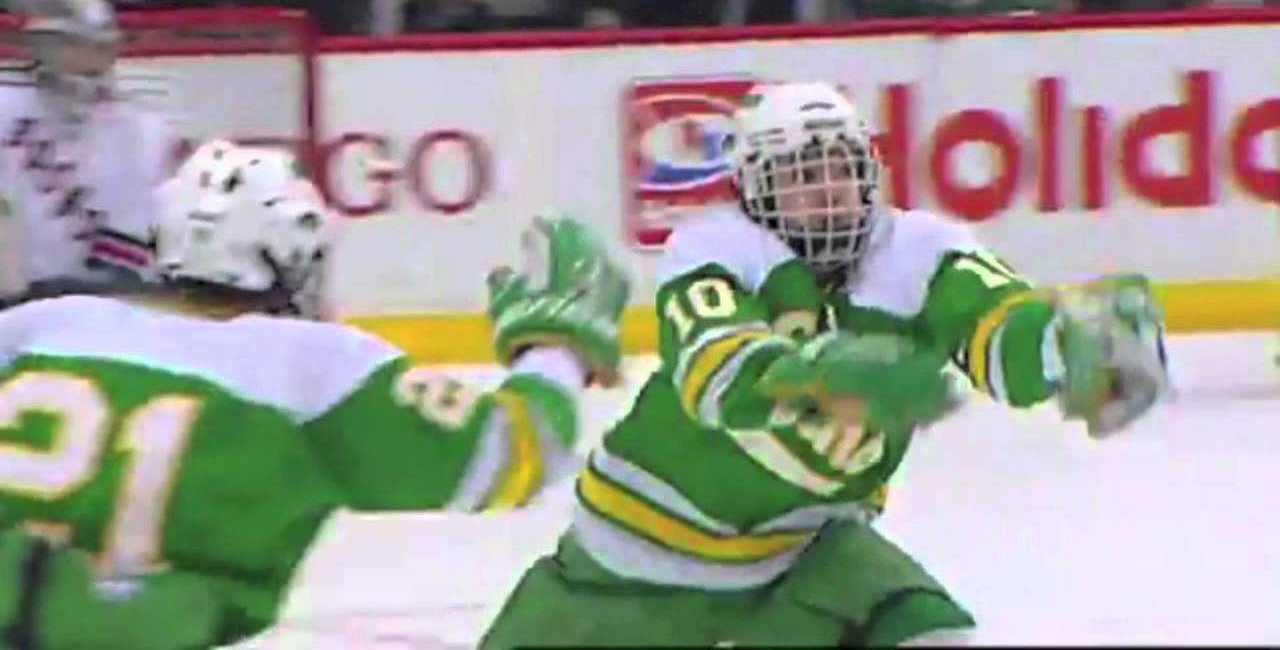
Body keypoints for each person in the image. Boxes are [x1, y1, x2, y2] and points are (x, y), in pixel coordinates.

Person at [480, 81, 1169, 648]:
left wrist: (1063, 343)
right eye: (802, 175)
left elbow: (999, 330)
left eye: (842, 168)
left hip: (804, 555)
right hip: (634, 562)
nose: (829, 189)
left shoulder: (917, 252)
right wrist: (815, 377)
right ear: (754, 188)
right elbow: (717, 376)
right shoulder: (714, 249)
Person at [0, 139, 630, 648]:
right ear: (289, 255)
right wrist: (557, 344)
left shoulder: (43, 325)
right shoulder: (316, 368)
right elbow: (515, 452)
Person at [0, 0, 175, 305]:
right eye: (58, 42)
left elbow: (136, 236)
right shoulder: (6, 106)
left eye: (89, 43)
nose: (71, 53)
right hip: (15, 298)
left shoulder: (142, 130)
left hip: (109, 299)